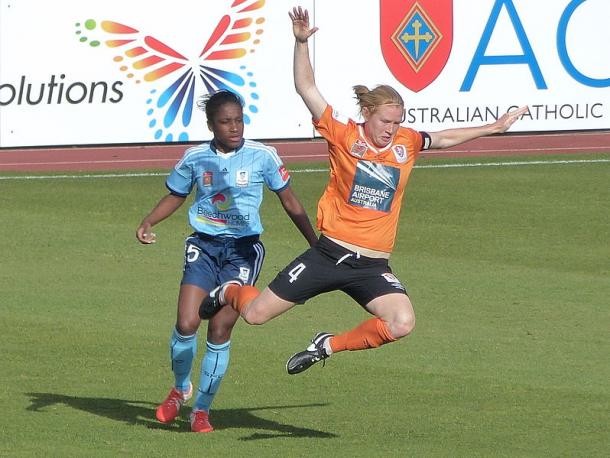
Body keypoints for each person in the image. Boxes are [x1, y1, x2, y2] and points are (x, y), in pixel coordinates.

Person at [199, 7, 528, 375]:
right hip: (330, 254)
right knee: (256, 315)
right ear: (368, 113)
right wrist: (301, 43)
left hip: (371, 265)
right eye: (386, 121)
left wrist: (493, 128)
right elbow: (306, 88)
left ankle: (326, 345)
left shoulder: (406, 142)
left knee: (402, 322)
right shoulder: (344, 135)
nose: (391, 128)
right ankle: (228, 290)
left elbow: (444, 137)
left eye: (397, 122)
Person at [136, 90, 317, 432]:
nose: (234, 127)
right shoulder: (194, 158)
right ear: (211, 125)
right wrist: (148, 221)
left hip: (243, 253)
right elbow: (176, 195)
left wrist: (315, 243)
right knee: (187, 323)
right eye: (225, 122)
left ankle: (201, 410)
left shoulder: (263, 155)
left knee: (219, 328)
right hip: (203, 247)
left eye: (238, 120)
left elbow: (290, 202)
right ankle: (180, 388)